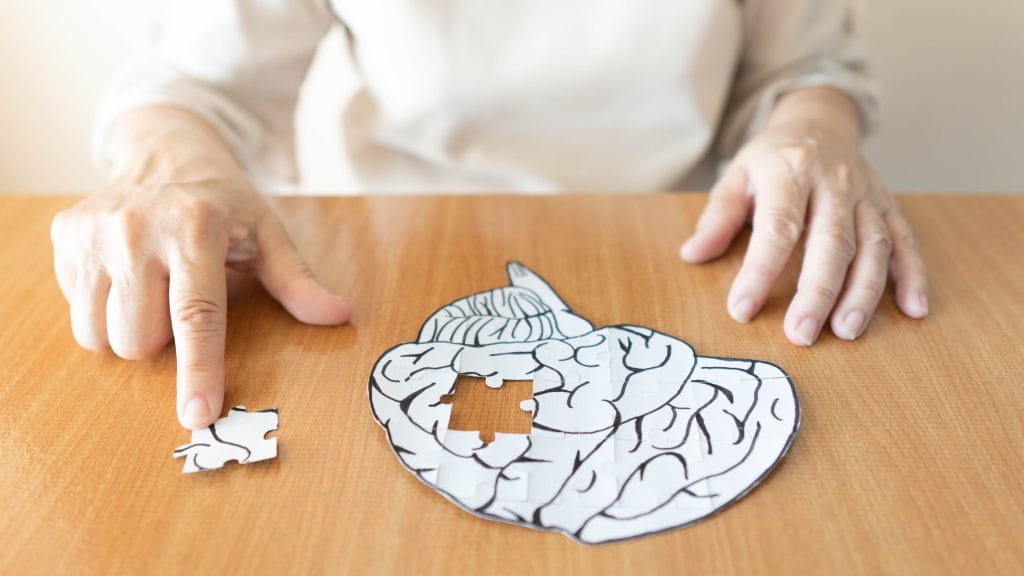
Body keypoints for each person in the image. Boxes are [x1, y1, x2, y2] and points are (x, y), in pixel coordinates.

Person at [49, 0, 928, 430]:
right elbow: (194, 87)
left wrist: (812, 129)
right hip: (384, 280)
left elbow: (807, 64)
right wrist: (168, 171)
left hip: (701, 261)